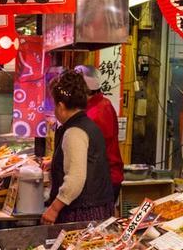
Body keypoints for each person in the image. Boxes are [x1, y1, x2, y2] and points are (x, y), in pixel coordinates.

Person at [40, 70, 115, 225]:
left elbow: (75, 179)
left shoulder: (74, 131)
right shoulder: (87, 124)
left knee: (78, 248)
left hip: (82, 213)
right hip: (96, 206)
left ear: (60, 106)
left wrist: (54, 209)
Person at [75, 65, 125, 202]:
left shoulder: (96, 113)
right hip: (104, 177)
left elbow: (91, 151)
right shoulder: (102, 104)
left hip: (103, 179)